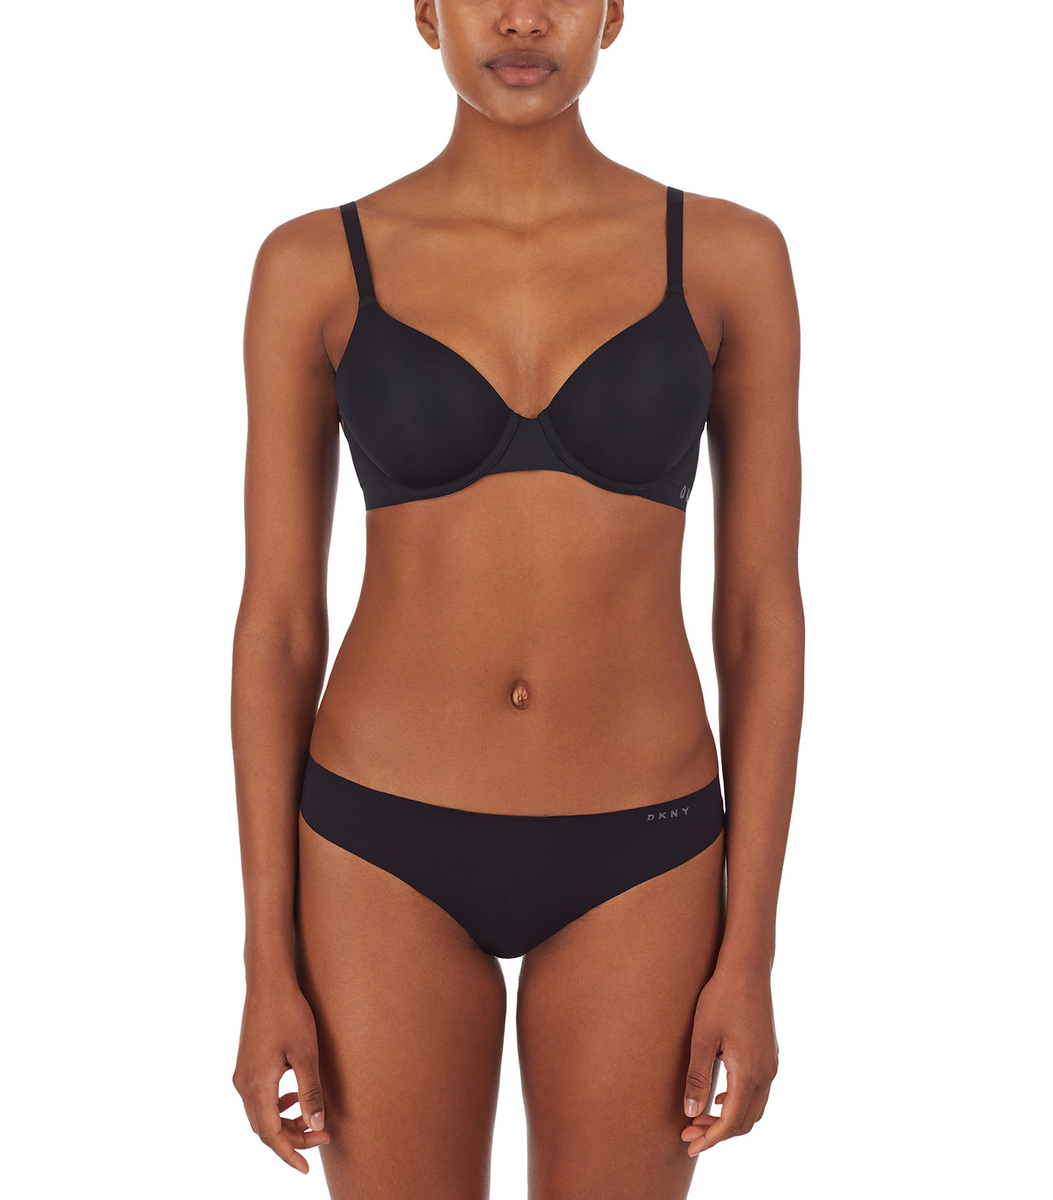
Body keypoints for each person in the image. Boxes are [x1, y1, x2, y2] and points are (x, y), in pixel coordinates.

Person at [230, 2, 802, 1195]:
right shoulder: (313, 264)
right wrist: (265, 963)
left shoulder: (729, 258)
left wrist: (749, 954)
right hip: (379, 845)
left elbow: (760, 616)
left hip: (644, 851)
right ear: (425, 11)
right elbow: (278, 624)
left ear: (614, 13)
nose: (523, 17)